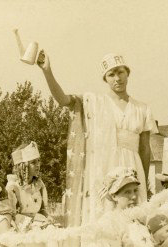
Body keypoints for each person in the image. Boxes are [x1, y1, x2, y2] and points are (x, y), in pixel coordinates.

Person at [38, 51, 158, 227]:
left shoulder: (142, 108)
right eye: (111, 74)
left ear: (128, 73)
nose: (117, 78)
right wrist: (47, 71)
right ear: (105, 79)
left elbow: (145, 150)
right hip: (104, 166)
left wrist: (145, 183)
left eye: (120, 72)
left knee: (133, 219)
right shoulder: (94, 102)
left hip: (133, 169)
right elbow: (63, 100)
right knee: (104, 215)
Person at [95, 167, 158, 247]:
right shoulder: (110, 222)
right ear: (114, 196)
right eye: (127, 192)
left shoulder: (138, 220)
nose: (134, 196)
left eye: (135, 190)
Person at [7, 142, 54, 231]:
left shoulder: (39, 185)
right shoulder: (13, 186)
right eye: (33, 162)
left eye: (38, 161)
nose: (38, 165)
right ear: (23, 166)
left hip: (38, 222)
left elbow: (42, 209)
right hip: (21, 225)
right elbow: (11, 215)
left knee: (52, 230)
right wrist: (33, 221)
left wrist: (47, 216)